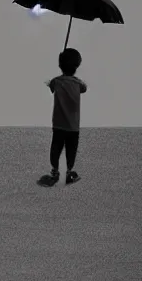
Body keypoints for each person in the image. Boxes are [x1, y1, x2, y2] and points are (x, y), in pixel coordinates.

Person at [38, 47, 87, 187]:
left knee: (56, 147)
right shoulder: (78, 83)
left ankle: (54, 172)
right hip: (73, 126)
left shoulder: (56, 81)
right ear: (76, 67)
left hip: (58, 124)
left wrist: (51, 83)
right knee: (71, 149)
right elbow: (85, 88)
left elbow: (51, 86)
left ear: (60, 65)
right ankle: (69, 172)